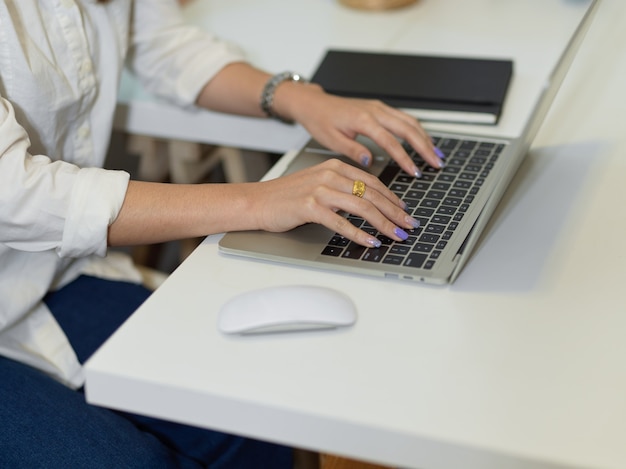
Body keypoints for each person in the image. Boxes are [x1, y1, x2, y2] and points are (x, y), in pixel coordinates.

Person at [0, 0, 445, 467]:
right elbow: (15, 194)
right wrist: (256, 202)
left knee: (253, 415)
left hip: (49, 274)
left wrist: (302, 99)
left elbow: (159, 43)